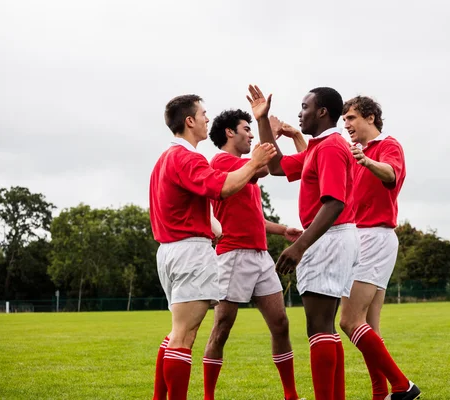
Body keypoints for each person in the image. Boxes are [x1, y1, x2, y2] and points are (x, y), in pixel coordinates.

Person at [149, 94, 276, 400]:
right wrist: (255, 162)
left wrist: (213, 227)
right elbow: (223, 188)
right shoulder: (188, 157)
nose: (208, 118)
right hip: (190, 252)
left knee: (175, 333)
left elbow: (193, 206)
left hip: (170, 251)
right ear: (189, 121)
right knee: (184, 336)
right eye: (203, 114)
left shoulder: (164, 159)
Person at [247, 84, 359, 400]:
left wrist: (299, 246)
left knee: (319, 328)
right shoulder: (317, 148)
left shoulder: (331, 148)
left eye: (305, 106)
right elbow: (277, 166)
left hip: (329, 238)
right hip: (333, 239)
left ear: (323, 112)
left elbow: (334, 202)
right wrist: (263, 120)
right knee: (325, 326)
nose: (300, 113)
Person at [202, 108, 304, 400]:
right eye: (245, 129)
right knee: (222, 328)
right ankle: (209, 396)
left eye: (251, 129)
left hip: (259, 256)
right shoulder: (222, 161)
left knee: (281, 324)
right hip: (233, 255)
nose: (249, 134)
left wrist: (282, 229)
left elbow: (254, 216)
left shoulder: (244, 169)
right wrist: (266, 128)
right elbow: (264, 165)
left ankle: (291, 396)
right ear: (229, 133)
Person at [339, 96, 420, 400]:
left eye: (351, 118)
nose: (346, 125)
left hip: (374, 237)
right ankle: (379, 393)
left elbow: (391, 175)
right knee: (368, 325)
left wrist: (367, 161)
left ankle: (402, 385)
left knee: (348, 321)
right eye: (344, 120)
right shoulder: (355, 151)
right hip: (361, 238)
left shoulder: (388, 146)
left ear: (370, 117)